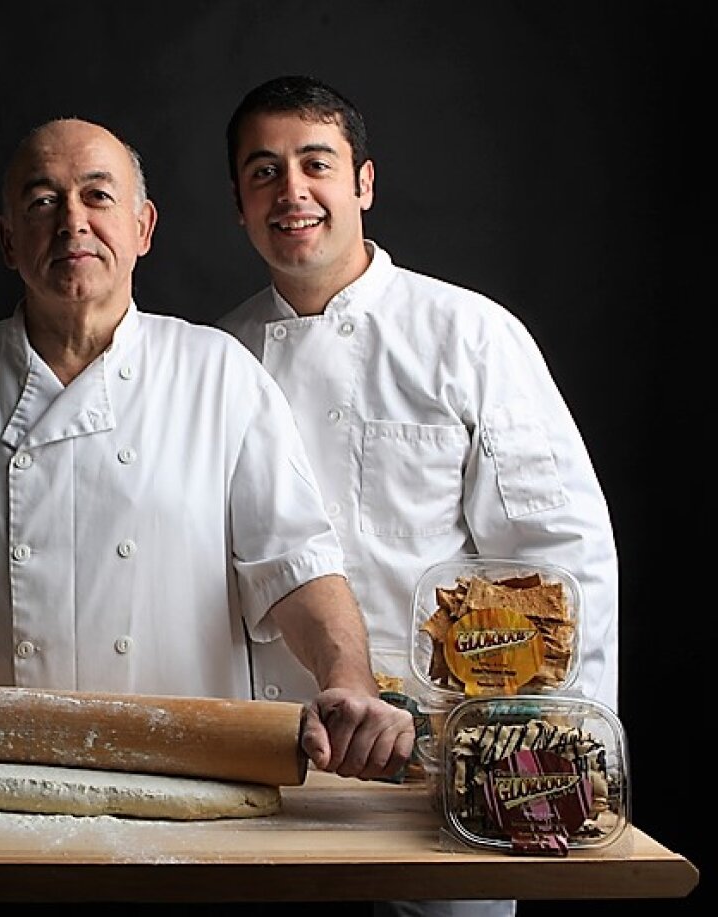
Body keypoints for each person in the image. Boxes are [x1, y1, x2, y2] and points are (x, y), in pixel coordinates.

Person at [0, 117, 413, 782]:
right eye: (42, 202)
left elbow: (296, 567)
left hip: (188, 770)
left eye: (97, 196)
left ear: (143, 227)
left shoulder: (218, 372)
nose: (72, 223)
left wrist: (348, 679)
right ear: (8, 240)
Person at [216, 75, 621, 917]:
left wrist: (551, 758)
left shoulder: (469, 336)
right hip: (272, 762)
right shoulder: (214, 358)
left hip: (450, 770)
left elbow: (559, 557)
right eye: (264, 172)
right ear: (239, 202)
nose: (291, 191)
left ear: (363, 182)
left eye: (315, 164)